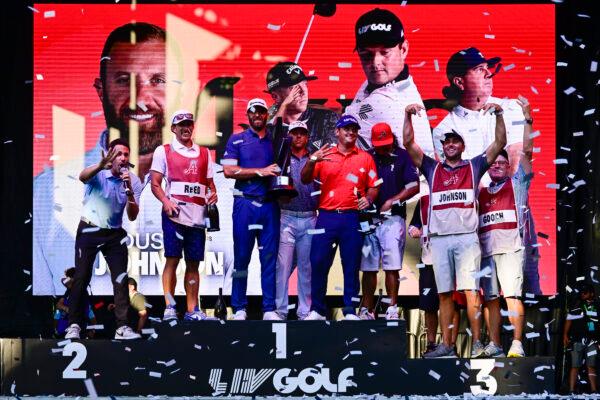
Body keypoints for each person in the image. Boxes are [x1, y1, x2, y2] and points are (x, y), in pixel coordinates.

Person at [34, 22, 166, 295]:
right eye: (123, 80)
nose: (141, 99)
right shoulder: (46, 190)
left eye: (157, 80)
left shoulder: (219, 186)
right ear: (100, 89)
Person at [433, 46, 540, 295]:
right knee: (484, 286)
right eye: (479, 69)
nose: (488, 74)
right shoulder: (446, 128)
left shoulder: (510, 108)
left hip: (513, 210)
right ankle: (484, 334)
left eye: (488, 68)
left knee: (528, 278)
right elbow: (458, 178)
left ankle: (525, 333)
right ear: (459, 81)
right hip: (476, 216)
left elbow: (516, 161)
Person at [403, 102, 507, 358]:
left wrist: (500, 115)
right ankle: (447, 346)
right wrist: (407, 115)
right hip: (439, 241)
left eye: (455, 141)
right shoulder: (431, 167)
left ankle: (477, 345)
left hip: (466, 238)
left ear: (462, 146)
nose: (450, 145)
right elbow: (408, 143)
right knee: (444, 294)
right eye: (446, 142)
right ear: (442, 147)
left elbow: (499, 142)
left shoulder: (473, 166)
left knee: (471, 292)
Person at [300, 115, 379, 320]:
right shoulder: (325, 154)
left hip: (352, 218)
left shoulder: (365, 157)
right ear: (337, 132)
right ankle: (317, 309)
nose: (351, 132)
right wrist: (312, 160)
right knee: (317, 262)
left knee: (351, 265)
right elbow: (305, 178)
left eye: (354, 129)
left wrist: (369, 199)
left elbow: (374, 186)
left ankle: (350, 310)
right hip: (326, 216)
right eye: (346, 129)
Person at [64, 138, 143, 340]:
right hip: (89, 229)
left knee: (121, 279)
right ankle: (74, 325)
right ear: (110, 155)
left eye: (126, 154)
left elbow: (133, 215)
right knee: (81, 277)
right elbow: (82, 177)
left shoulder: (133, 180)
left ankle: (122, 327)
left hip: (114, 233)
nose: (123, 158)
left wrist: (130, 191)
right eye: (119, 154)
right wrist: (101, 165)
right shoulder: (99, 173)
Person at [478, 96, 535, 358]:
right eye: (494, 164)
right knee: (490, 299)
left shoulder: (517, 183)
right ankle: (495, 344)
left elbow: (528, 151)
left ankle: (517, 343)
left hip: (511, 248)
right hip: (487, 251)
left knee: (511, 296)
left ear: (507, 166)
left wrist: (527, 118)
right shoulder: (482, 191)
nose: (498, 166)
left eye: (502, 163)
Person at [150, 110, 218, 321]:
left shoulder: (205, 153)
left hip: (197, 218)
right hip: (175, 215)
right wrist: (166, 202)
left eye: (189, 124)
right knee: (172, 259)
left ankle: (191, 310)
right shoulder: (164, 151)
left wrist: (213, 195)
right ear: (173, 129)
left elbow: (209, 185)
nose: (186, 128)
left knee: (194, 264)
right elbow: (155, 183)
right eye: (181, 125)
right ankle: (170, 307)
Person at [344, 8, 434, 156]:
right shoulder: (384, 83)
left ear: (403, 49)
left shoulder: (383, 103)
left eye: (385, 52)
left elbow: (330, 125)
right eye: (366, 55)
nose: (375, 62)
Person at [222, 98, 281, 321]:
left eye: (261, 112)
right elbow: (228, 171)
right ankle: (239, 307)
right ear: (247, 115)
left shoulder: (276, 141)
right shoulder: (237, 139)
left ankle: (268, 308)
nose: (257, 115)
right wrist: (260, 172)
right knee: (242, 258)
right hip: (245, 203)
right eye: (253, 112)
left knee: (269, 259)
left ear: (267, 115)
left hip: (269, 205)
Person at [359, 122, 419, 320]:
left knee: (392, 265)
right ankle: (366, 309)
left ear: (392, 138)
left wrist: (393, 200)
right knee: (368, 267)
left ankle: (392, 307)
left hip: (393, 218)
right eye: (380, 144)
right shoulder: (367, 156)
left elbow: (413, 186)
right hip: (368, 217)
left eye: (387, 143)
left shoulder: (402, 155)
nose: (384, 148)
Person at [274, 121, 318, 320]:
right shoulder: (281, 156)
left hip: (310, 216)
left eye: (302, 133)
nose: (298, 137)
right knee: (282, 266)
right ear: (289, 135)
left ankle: (304, 311)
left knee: (306, 266)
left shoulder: (315, 157)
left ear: (307, 137)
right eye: (294, 133)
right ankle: (280, 310)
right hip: (286, 216)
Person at [266, 61, 338, 151]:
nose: (304, 92)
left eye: (305, 84)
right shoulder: (265, 127)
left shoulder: (327, 119)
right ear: (275, 96)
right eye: (295, 88)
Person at [564, 283, 600, 394]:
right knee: (575, 365)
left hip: (592, 340)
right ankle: (571, 390)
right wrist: (565, 335)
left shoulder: (598, 305)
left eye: (585, 292)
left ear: (592, 293)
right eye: (582, 292)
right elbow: (569, 319)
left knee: (591, 365)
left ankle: (594, 390)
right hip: (577, 339)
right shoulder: (577, 304)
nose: (583, 294)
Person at [54, 268, 97, 338]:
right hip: (65, 328)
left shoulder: (82, 291)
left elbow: (92, 317)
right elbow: (58, 305)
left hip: (81, 327)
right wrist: (67, 309)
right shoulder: (68, 291)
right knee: (58, 312)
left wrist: (93, 331)